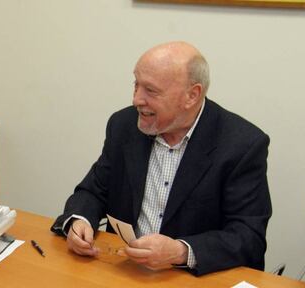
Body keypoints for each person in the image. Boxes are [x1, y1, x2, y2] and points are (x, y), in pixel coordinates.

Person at [51, 41, 272, 276]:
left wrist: (181, 252)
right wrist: (79, 221)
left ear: (192, 95)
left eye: (151, 90)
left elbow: (248, 236)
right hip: (123, 271)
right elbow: (93, 191)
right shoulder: (123, 126)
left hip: (191, 277)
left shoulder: (242, 144)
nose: (137, 99)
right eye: (136, 84)